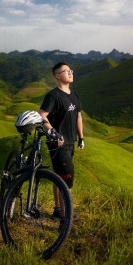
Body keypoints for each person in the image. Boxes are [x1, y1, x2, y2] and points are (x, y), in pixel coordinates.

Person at [38, 62, 84, 219]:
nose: (70, 73)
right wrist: (52, 132)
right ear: (57, 76)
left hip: (71, 142)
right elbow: (42, 115)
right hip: (58, 143)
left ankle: (58, 210)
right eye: (66, 71)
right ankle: (66, 220)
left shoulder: (74, 95)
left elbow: (78, 116)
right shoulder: (53, 95)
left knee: (59, 176)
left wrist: (81, 138)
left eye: (71, 70)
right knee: (66, 180)